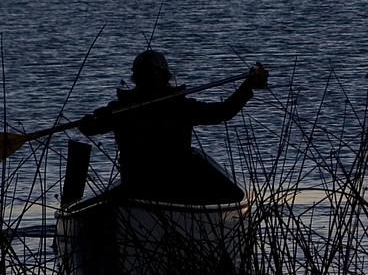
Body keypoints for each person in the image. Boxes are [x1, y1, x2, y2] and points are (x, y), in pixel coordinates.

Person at [77, 50, 268, 202]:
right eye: (145, 76)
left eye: (151, 76)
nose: (149, 81)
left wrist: (247, 87)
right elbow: (92, 128)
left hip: (169, 180)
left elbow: (222, 112)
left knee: (232, 193)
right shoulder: (120, 109)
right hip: (142, 181)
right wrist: (89, 121)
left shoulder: (178, 106)